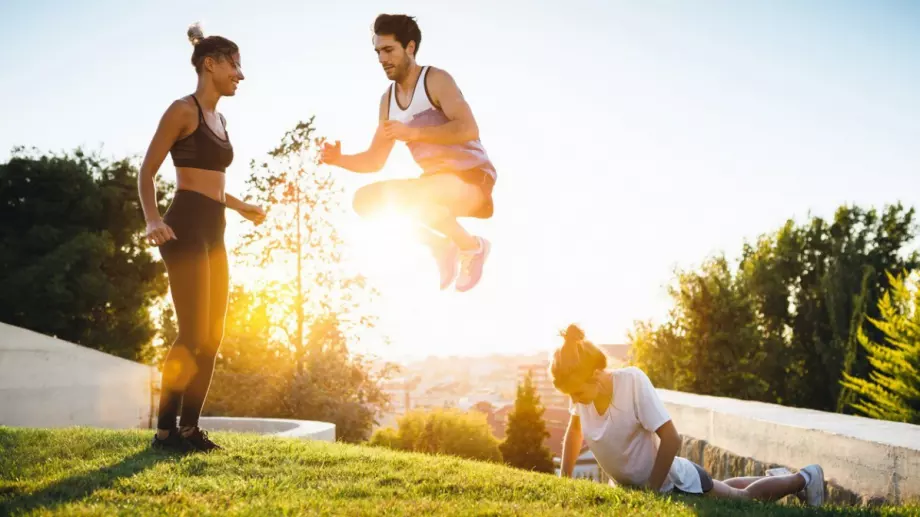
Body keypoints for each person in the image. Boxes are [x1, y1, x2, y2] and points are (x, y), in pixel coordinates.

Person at [137, 23, 265, 453]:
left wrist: (240, 205)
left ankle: (189, 430)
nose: (241, 75)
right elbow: (147, 173)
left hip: (215, 229)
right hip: (185, 228)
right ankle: (164, 433)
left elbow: (209, 183)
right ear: (210, 65)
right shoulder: (182, 110)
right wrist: (153, 219)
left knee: (212, 336)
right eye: (235, 65)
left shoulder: (220, 118)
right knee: (191, 334)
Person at [551, 325, 826, 506]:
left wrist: (650, 492)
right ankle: (778, 477)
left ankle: (804, 478)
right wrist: (564, 479)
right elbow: (574, 432)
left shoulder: (631, 382)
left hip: (672, 482)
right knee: (722, 489)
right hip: (648, 484)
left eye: (576, 392)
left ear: (596, 374)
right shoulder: (583, 397)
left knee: (740, 499)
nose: (574, 400)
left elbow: (671, 438)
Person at [320, 14, 497, 292]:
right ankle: (440, 246)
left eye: (389, 50)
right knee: (365, 201)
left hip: (473, 180)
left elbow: (468, 128)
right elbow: (374, 160)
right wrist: (339, 160)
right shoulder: (388, 102)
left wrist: (414, 133)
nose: (382, 58)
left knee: (419, 194)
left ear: (410, 48)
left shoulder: (436, 80)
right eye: (378, 52)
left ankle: (473, 247)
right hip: (433, 186)